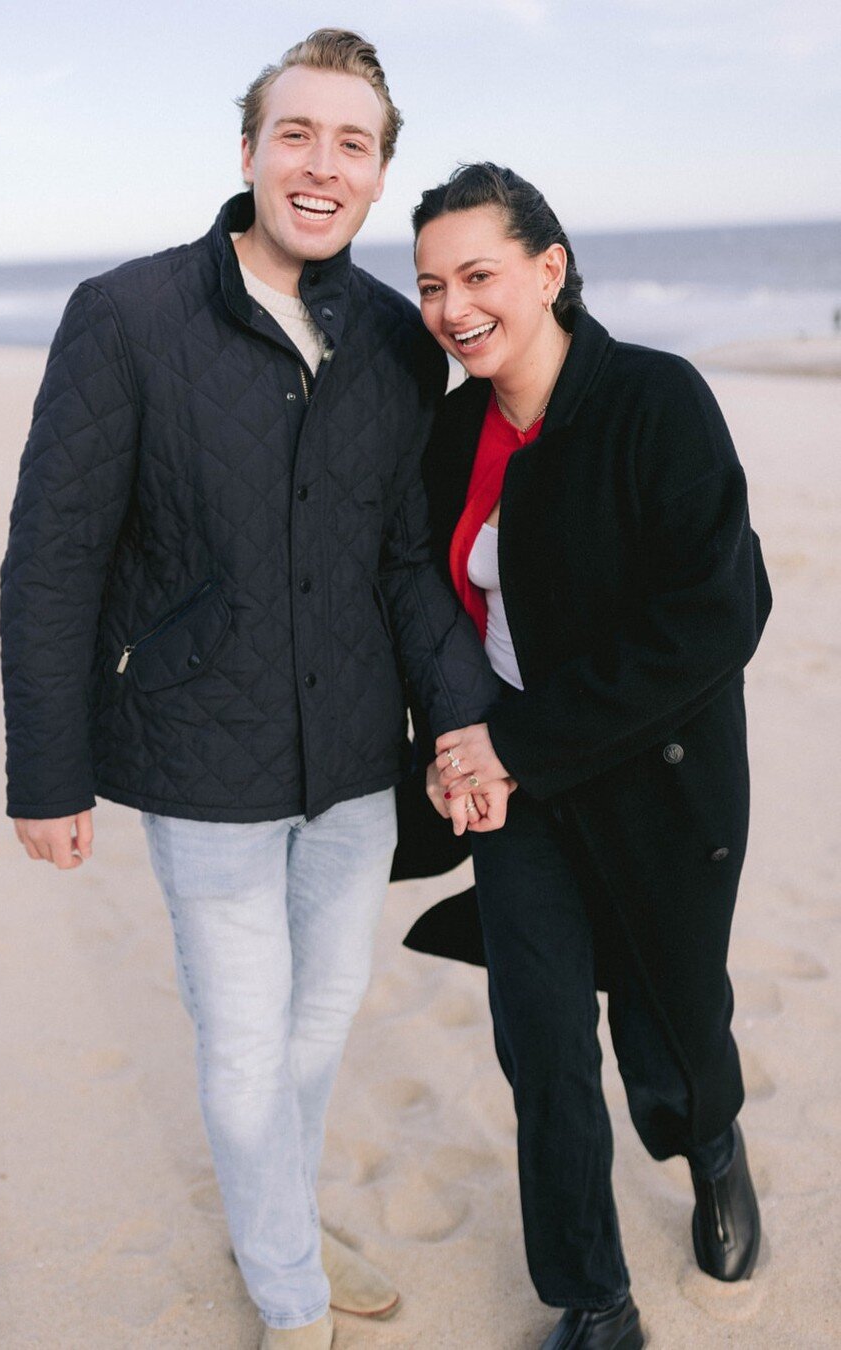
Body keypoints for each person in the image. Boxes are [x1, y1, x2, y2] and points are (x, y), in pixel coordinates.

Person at [0, 34, 509, 1349]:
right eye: (299, 134)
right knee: (241, 1049)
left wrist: (461, 716)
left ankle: (270, 1210)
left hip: (350, 760)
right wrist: (47, 773)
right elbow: (54, 556)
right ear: (249, 151)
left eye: (353, 142)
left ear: (379, 172)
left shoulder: (402, 345)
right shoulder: (127, 316)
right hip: (195, 752)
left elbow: (406, 561)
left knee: (315, 1029)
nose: (321, 163)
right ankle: (289, 1292)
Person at [407, 163, 771, 1350]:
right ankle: (593, 1297)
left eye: (478, 275)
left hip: (659, 777)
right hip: (521, 797)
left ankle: (709, 1147)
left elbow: (719, 615)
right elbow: (432, 605)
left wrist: (511, 740)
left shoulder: (655, 402)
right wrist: (449, 749)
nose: (454, 308)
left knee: (671, 1026)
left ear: (549, 271)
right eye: (428, 286)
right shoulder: (456, 427)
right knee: (542, 1037)